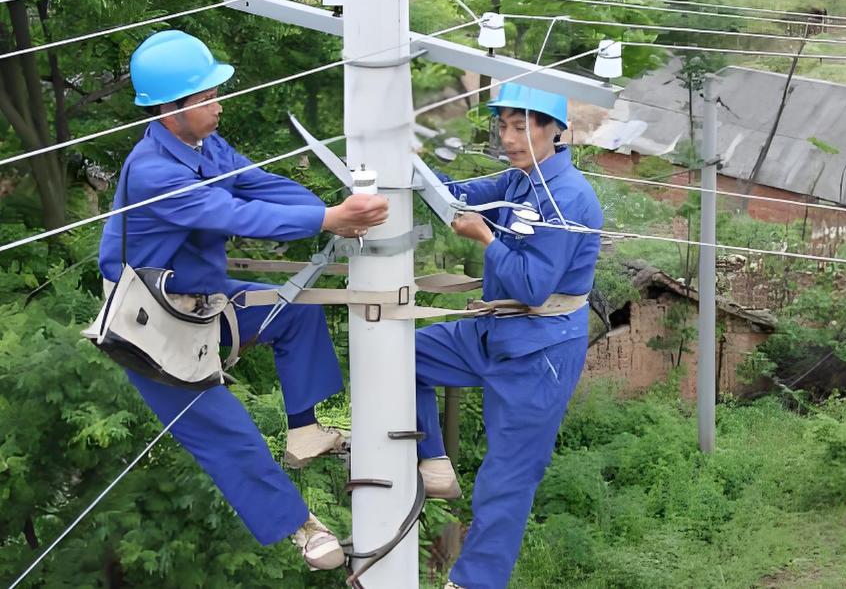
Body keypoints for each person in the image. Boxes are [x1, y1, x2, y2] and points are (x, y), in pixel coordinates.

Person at [97, 30, 388, 570]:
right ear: (170, 109)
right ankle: (302, 527)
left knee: (293, 310)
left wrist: (317, 211)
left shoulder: (205, 145)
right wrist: (326, 218)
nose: (217, 104)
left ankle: (303, 428)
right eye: (204, 97)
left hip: (205, 301)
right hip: (151, 327)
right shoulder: (153, 171)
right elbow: (233, 214)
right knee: (221, 429)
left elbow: (263, 186)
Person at [415, 84, 604, 589]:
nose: (509, 137)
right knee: (398, 354)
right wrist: (409, 165)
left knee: (507, 477)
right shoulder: (519, 180)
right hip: (494, 329)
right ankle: (433, 460)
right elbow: (456, 195)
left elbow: (532, 285)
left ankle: (474, 582)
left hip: (540, 348)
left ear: (554, 132)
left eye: (521, 127)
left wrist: (485, 238)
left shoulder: (568, 197)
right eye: (503, 126)